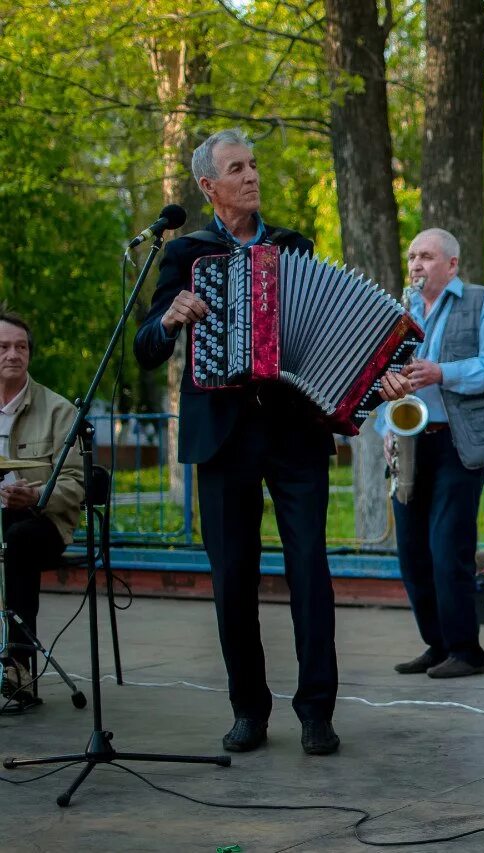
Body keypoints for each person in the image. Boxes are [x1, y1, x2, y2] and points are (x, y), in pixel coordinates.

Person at [134, 129, 345, 755]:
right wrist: (170, 317)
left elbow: (322, 326)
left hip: (293, 429)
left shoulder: (292, 246)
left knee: (311, 569)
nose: (251, 176)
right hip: (221, 435)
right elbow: (147, 347)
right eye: (236, 168)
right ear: (209, 186)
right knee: (233, 577)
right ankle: (249, 709)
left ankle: (317, 713)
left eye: (253, 164)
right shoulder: (185, 255)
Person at [378, 228, 484, 680]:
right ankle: (436, 645)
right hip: (410, 441)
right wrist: (384, 427)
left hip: (458, 442)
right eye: (412, 256)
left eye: (427, 257)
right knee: (412, 553)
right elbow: (384, 377)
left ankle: (466, 651)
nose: (416, 264)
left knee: (446, 548)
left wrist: (441, 372)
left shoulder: (481, 302)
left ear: (451, 265)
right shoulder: (400, 309)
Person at [0, 312, 84, 712]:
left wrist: (34, 496)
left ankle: (19, 670)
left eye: (21, 347)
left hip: (43, 524)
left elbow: (76, 485)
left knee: (17, 537)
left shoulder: (58, 410)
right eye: (3, 347)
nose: (13, 354)